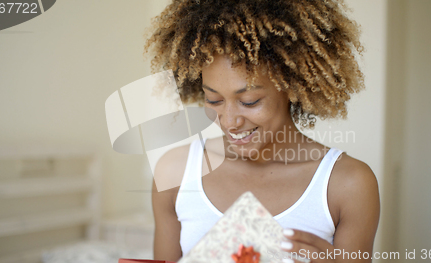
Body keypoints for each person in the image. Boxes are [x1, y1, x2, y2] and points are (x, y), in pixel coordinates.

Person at [144, 0, 380, 262]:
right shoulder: (174, 172)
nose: (230, 122)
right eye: (214, 100)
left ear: (293, 85)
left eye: (249, 101)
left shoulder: (347, 184)